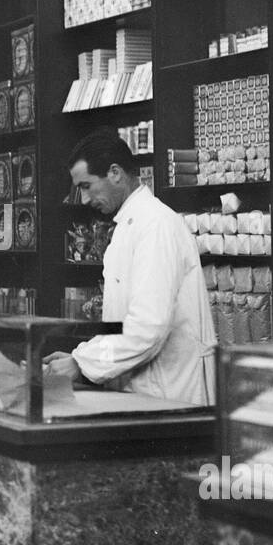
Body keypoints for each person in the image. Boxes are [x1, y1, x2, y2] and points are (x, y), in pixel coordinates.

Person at [45, 129, 216, 406]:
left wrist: (81, 363)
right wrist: (80, 356)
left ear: (114, 173)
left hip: (169, 396)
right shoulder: (130, 225)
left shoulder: (155, 225)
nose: (85, 200)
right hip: (145, 392)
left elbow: (146, 329)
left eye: (86, 186)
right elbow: (123, 324)